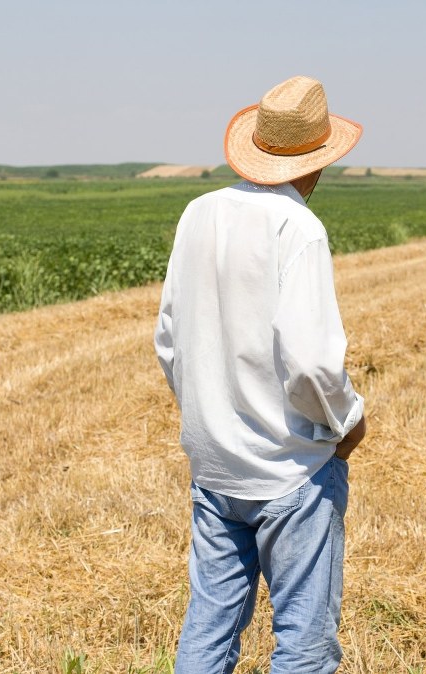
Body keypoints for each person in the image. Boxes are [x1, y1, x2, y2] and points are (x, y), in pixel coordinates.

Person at [154, 75, 368, 673]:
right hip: (289, 472)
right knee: (302, 642)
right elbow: (311, 364)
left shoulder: (197, 214)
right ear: (318, 161)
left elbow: (169, 341)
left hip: (213, 467)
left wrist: (210, 415)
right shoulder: (298, 229)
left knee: (209, 627)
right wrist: (348, 421)